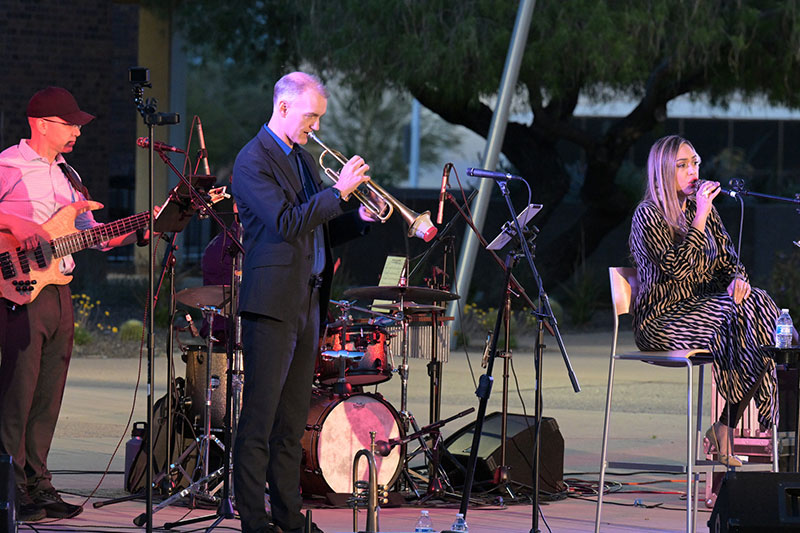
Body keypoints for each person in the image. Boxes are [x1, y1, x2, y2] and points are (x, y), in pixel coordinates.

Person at [231, 72, 379, 533]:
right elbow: (285, 222)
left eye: (319, 118)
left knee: (292, 422)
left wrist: (358, 215)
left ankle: (289, 518)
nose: (316, 126)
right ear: (283, 107)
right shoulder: (252, 160)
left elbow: (320, 227)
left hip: (308, 300)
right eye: (311, 116)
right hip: (272, 303)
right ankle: (253, 520)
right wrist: (338, 193)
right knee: (259, 419)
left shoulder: (304, 160)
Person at [0, 87, 147, 522]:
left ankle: (38, 484)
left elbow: (94, 235)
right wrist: (19, 223)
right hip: (18, 288)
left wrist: (146, 226)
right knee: (18, 394)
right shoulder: (8, 165)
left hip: (59, 288)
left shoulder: (70, 175)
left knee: (48, 395)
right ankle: (10, 489)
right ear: (42, 125)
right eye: (70, 124)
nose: (78, 132)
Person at [629, 134, 795, 467]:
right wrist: (700, 217)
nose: (693, 171)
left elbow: (729, 260)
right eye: (682, 165)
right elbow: (678, 270)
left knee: (759, 304)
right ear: (663, 171)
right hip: (662, 320)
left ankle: (728, 425)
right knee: (743, 320)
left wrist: (737, 280)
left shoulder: (701, 209)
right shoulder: (648, 215)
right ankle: (732, 427)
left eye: (695, 163)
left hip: (705, 311)